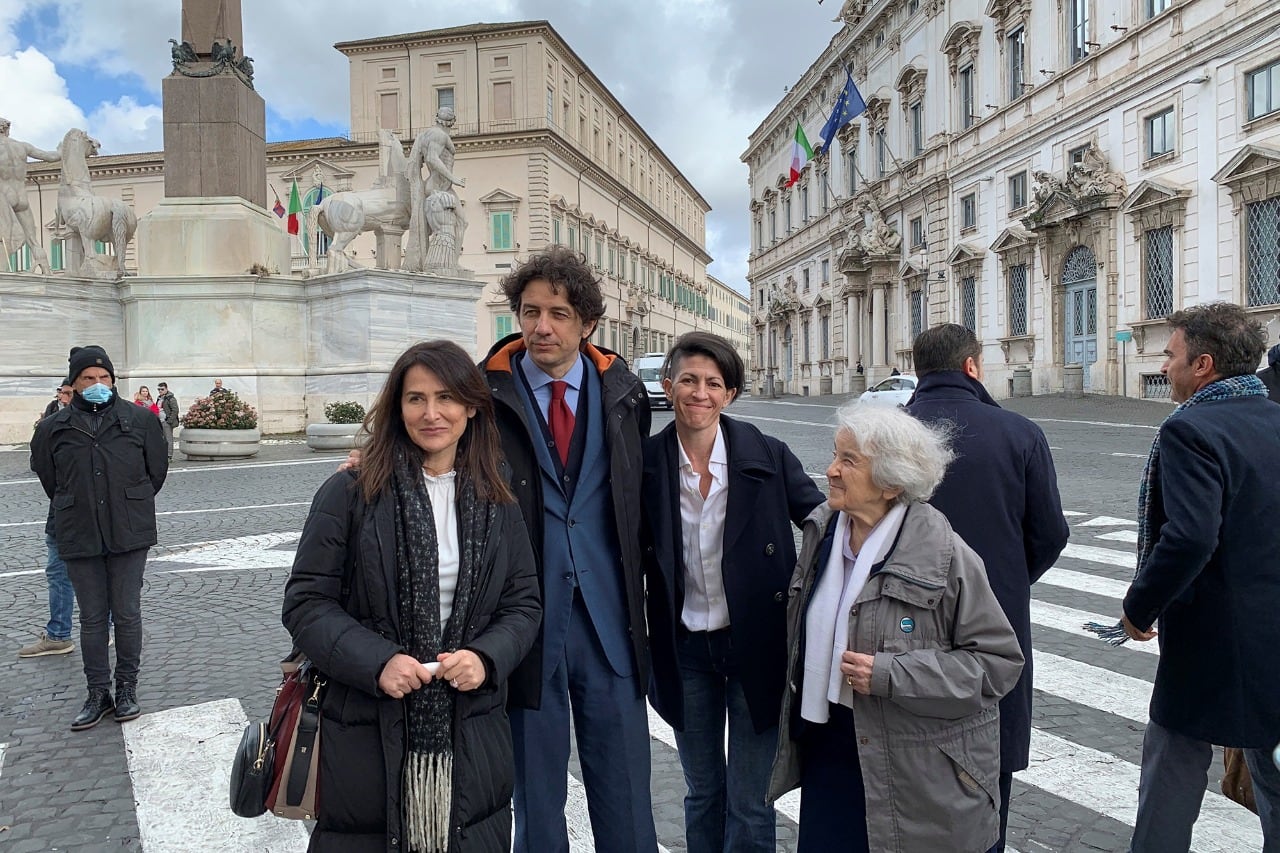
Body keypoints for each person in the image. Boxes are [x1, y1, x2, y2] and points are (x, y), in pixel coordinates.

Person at [282, 340, 540, 852]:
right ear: (397, 408)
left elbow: (523, 603)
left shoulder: (497, 495)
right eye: (415, 398)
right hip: (365, 733)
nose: (431, 413)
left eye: (445, 398)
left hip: (471, 735)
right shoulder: (350, 492)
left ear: (470, 405)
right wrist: (378, 662)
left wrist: (486, 658)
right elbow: (307, 603)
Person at [767, 402, 1023, 853]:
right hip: (829, 745)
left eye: (849, 461)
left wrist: (891, 674)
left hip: (914, 768)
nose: (830, 470)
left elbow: (997, 663)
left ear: (890, 482)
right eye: (835, 455)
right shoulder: (822, 533)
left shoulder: (945, 556)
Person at [481, 245, 656, 853]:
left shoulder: (625, 395)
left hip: (611, 624)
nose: (541, 327)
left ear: (588, 324)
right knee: (535, 799)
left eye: (557, 313)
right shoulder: (483, 399)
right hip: (525, 625)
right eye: (529, 312)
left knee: (628, 792)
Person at [643, 332, 824, 853]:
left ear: (730, 394)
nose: (700, 392)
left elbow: (821, 526)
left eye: (713, 383)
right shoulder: (648, 463)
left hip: (755, 647)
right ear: (668, 385)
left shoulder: (766, 454)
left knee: (750, 800)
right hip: (685, 651)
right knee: (702, 793)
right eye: (689, 380)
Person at [1111, 304, 1280, 852]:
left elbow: (1188, 538)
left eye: (1172, 355)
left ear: (1203, 364)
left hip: (1211, 633)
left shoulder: (1191, 429)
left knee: (1172, 771)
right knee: (1273, 773)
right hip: (1273, 634)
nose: (1166, 365)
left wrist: (1140, 609)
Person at [905, 323, 1070, 850]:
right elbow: (1050, 533)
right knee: (989, 763)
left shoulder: (886, 430)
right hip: (993, 622)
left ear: (919, 369)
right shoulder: (1019, 432)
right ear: (972, 366)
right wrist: (1006, 579)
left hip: (901, 623)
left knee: (900, 763)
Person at [30, 346, 168, 730]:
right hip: (78, 531)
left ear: (113, 380)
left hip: (129, 529)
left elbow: (155, 471)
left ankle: (126, 688)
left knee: (126, 614)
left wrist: (126, 504)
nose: (97, 384)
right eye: (88, 378)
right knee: (91, 619)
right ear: (73, 383)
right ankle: (97, 692)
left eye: (104, 377)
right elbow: (49, 478)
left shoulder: (139, 420)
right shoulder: (52, 428)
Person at [18, 381, 78, 659]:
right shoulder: (51, 420)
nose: (62, 397)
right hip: (61, 511)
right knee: (58, 573)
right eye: (61, 393)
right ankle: (59, 634)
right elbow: (38, 464)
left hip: (83, 512)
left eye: (67, 393)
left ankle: (104, 630)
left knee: (101, 573)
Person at [404, 106, 468, 271]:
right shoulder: (438, 135)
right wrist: (453, 178)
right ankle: (445, 262)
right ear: (452, 121)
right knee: (446, 227)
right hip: (437, 188)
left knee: (461, 222)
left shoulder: (433, 134)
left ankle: (452, 261)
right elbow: (432, 159)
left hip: (442, 187)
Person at [0, 116, 60, 274]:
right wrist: (63, 150)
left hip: (5, 195)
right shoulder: (22, 146)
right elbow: (51, 156)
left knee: (4, 235)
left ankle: (3, 272)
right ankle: (46, 269)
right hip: (21, 196)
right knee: (32, 239)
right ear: (7, 130)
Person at [156, 382, 179, 461]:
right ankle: (163, 454)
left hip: (166, 421)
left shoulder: (170, 398)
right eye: (159, 389)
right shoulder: (159, 398)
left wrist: (169, 420)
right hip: (160, 421)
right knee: (162, 439)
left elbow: (175, 410)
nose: (160, 391)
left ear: (166, 389)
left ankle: (169, 456)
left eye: (162, 389)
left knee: (168, 439)